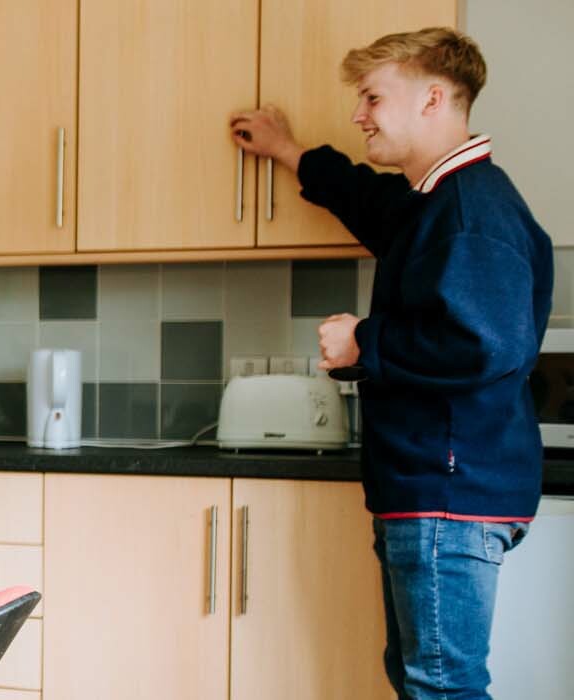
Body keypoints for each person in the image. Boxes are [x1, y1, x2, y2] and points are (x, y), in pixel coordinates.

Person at [231, 27, 549, 699]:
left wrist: (363, 344)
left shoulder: (470, 211)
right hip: (441, 491)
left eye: (372, 97)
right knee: (426, 683)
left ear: (434, 99)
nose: (358, 115)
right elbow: (366, 198)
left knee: (440, 689)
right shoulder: (436, 205)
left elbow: (485, 345)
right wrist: (289, 151)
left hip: (446, 493)